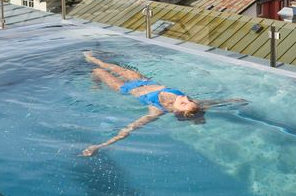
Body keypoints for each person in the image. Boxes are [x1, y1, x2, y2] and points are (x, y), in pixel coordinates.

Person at [81, 52, 246, 156]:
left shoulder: (156, 111)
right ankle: (92, 58)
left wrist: (100, 146)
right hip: (143, 80)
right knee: (113, 67)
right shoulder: (191, 103)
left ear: (177, 112)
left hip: (127, 88)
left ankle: (95, 83)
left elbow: (129, 129)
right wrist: (231, 101)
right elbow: (213, 102)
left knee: (99, 72)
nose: (187, 99)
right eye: (189, 100)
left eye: (184, 103)